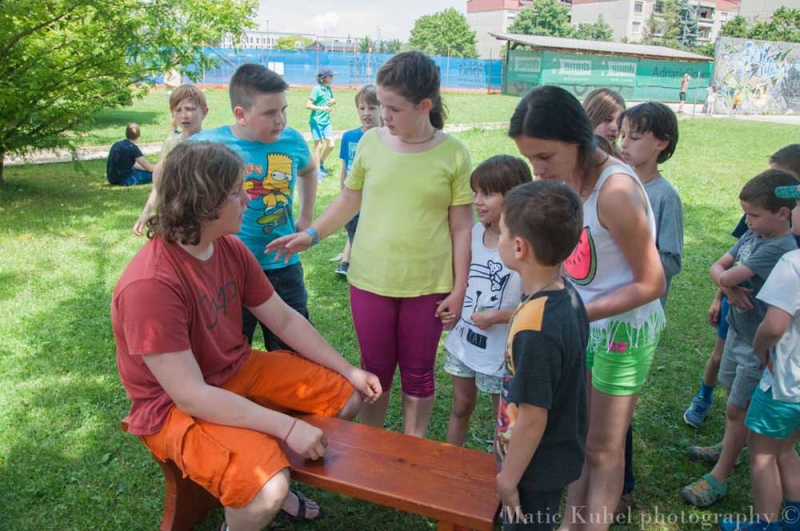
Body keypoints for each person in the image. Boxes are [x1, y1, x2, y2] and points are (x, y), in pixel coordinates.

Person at [112, 141, 382, 531]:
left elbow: (284, 320)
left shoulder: (229, 247)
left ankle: (267, 464)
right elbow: (191, 395)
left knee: (345, 395)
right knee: (266, 491)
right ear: (204, 203)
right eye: (237, 193)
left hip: (235, 368)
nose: (248, 199)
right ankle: (263, 491)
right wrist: (288, 427)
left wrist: (350, 370)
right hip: (171, 407)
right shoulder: (150, 285)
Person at [268, 51, 473, 439]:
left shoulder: (454, 154)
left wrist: (460, 289)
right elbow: (349, 199)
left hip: (428, 285)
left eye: (393, 108)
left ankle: (412, 449)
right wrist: (311, 235)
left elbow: (462, 227)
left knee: (418, 371)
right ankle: (371, 446)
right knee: (374, 368)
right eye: (381, 105)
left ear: (424, 106)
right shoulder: (370, 143)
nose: (384, 116)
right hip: (369, 280)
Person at [509, 86, 666, 531]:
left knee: (603, 447)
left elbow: (652, 282)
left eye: (544, 156)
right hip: (582, 322)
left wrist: (576, 314)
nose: (537, 170)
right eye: (529, 158)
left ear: (576, 139)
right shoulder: (565, 181)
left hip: (621, 331)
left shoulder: (615, 191)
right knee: (581, 440)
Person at [681, 169, 799, 508]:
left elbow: (727, 273)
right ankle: (728, 447)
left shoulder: (780, 248)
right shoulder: (753, 235)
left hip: (756, 346)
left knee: (737, 408)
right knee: (733, 397)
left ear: (783, 213)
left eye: (753, 215)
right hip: (738, 330)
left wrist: (727, 282)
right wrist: (727, 287)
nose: (747, 221)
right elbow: (717, 268)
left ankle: (718, 477)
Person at [192, 64, 318, 351]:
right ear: (241, 114)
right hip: (230, 268)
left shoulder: (292, 140)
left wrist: (306, 216)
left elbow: (309, 170)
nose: (280, 120)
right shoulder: (211, 144)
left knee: (293, 349)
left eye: (283, 110)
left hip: (283, 263)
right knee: (232, 349)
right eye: (270, 113)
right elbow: (166, 171)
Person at [494, 180, 589, 530]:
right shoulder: (567, 295)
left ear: (519, 247)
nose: (499, 239)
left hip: (533, 469)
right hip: (542, 458)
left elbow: (533, 417)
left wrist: (508, 480)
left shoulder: (536, 329)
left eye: (502, 232)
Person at [610, 100, 683, 518]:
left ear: (661, 144)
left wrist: (632, 260)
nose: (624, 143)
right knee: (597, 404)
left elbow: (670, 260)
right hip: (604, 315)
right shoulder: (615, 184)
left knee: (618, 409)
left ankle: (624, 489)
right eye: (623, 135)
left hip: (632, 322)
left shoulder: (664, 196)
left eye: (635, 137)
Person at [443, 155, 531, 447]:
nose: (477, 201)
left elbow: (538, 305)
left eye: (488, 194)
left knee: (503, 420)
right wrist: (454, 308)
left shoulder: (526, 245)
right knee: (460, 406)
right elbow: (464, 284)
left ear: (514, 194)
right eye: (476, 192)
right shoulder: (474, 233)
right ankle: (447, 464)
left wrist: (497, 316)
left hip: (501, 351)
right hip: (465, 342)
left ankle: (501, 469)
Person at [719, 242, 800, 531]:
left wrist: (759, 348)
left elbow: (774, 326)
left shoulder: (793, 263)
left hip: (786, 384)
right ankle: (795, 520)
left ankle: (766, 525)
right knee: (785, 448)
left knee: (763, 453)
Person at [133, 84, 209, 236]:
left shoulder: (211, 145)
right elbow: (160, 182)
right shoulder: (171, 143)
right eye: (178, 110)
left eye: (190, 109)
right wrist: (146, 212)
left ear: (204, 112)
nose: (184, 115)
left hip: (203, 215)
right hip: (174, 214)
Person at [334, 84, 381, 276]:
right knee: (358, 245)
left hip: (376, 205)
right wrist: (343, 198)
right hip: (354, 205)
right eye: (362, 108)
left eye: (372, 107)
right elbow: (345, 169)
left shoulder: (387, 138)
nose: (366, 113)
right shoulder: (349, 137)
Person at [307, 67, 336, 179]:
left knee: (331, 144)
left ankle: (321, 162)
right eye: (330, 76)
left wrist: (333, 101)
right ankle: (317, 171)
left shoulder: (328, 89)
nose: (332, 78)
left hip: (326, 121)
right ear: (325, 78)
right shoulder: (316, 89)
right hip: (316, 122)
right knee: (319, 146)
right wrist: (322, 108)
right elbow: (308, 105)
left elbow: (332, 100)